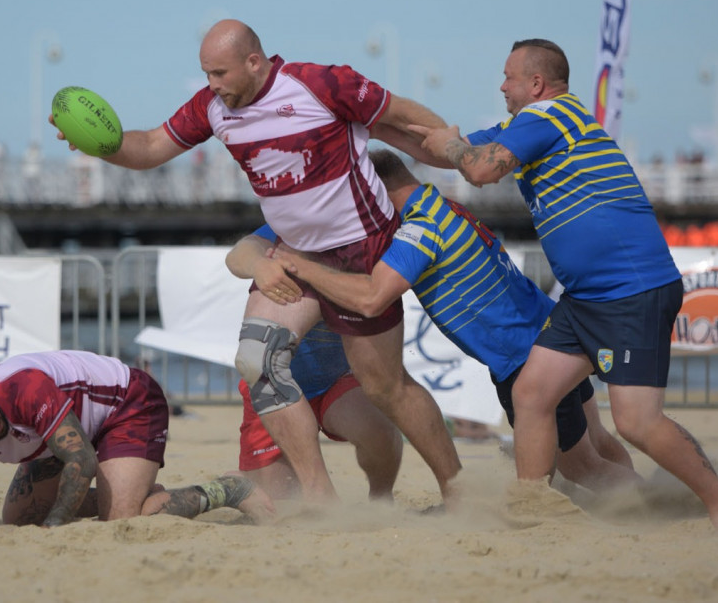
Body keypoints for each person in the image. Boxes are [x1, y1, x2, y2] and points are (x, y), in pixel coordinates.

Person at [51, 19, 462, 508]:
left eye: (220, 73)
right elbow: (150, 147)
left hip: (360, 251)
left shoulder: (319, 83)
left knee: (386, 386)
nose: (212, 85)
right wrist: (103, 145)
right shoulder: (214, 108)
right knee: (256, 359)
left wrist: (458, 149)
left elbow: (400, 115)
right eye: (206, 73)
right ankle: (320, 498)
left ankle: (457, 488)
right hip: (294, 252)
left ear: (254, 61)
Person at [409, 39, 718, 534]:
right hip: (586, 299)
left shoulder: (551, 116)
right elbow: (446, 152)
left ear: (536, 84)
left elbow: (478, 167)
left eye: (508, 76)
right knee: (530, 393)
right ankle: (533, 508)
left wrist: (452, 143)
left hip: (629, 290)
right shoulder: (523, 127)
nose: (500, 85)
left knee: (636, 422)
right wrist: (368, 125)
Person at [273, 149, 638, 493]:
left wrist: (302, 266)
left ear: (375, 191)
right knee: (600, 442)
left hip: (525, 359)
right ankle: (648, 494)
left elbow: (371, 298)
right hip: (551, 330)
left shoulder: (420, 229)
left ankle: (658, 504)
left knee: (583, 466)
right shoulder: (446, 207)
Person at [0, 350, 274, 527]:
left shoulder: (23, 389)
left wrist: (57, 525)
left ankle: (229, 489)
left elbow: (81, 460)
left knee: (122, 517)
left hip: (127, 403)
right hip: (63, 432)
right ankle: (123, 487)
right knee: (20, 516)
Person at [227, 228, 402, 501]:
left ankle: (381, 498)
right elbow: (238, 254)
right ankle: (237, 483)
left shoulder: (362, 229)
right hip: (273, 386)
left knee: (378, 430)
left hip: (336, 381)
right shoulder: (298, 220)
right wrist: (258, 265)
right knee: (279, 504)